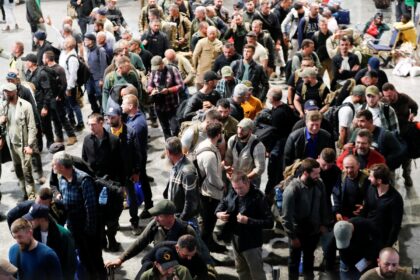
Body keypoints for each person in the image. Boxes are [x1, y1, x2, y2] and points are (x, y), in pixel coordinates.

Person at [52, 151, 106, 279]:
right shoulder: (62, 179)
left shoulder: (84, 180)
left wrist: (89, 232)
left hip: (88, 230)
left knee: (95, 259)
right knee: (83, 259)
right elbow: (66, 201)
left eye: (54, 164)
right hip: (73, 228)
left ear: (61, 167)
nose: (52, 166)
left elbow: (91, 208)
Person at [104, 200, 196, 270]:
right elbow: (140, 242)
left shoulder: (186, 230)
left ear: (170, 217)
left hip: (179, 270)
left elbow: (201, 254)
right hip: (160, 267)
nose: (155, 219)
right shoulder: (155, 225)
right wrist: (121, 259)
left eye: (159, 216)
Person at [215, 171, 273, 280]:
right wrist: (218, 213)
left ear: (247, 183)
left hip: (251, 242)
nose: (238, 191)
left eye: (240, 188)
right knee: (241, 270)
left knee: (257, 274)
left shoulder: (258, 197)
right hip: (236, 238)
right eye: (235, 188)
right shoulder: (234, 191)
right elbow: (223, 202)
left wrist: (248, 221)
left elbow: (269, 222)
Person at [281, 158, 329, 280]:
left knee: (309, 260)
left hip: (313, 231)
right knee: (294, 262)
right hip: (298, 233)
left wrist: (323, 224)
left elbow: (324, 205)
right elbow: (286, 217)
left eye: (319, 173)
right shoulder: (292, 190)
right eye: (315, 173)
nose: (318, 176)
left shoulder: (319, 184)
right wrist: (293, 237)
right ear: (305, 173)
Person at [0, 82, 36, 200]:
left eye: (8, 91)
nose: (6, 93)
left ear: (15, 92)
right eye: (5, 91)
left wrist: (30, 145)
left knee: (27, 172)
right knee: (18, 171)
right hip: (11, 145)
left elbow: (32, 127)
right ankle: (24, 193)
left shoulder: (25, 106)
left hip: (23, 145)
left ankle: (31, 196)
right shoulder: (4, 106)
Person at [23, 204, 77, 280]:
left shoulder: (64, 235)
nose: (28, 221)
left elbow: (70, 263)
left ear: (42, 219)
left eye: (32, 219)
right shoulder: (32, 232)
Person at [195, 122, 225, 252]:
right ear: (218, 135)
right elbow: (213, 178)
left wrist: (222, 167)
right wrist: (222, 186)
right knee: (208, 223)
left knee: (209, 223)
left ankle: (209, 243)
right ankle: (204, 250)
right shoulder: (210, 155)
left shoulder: (203, 145)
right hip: (210, 194)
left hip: (206, 190)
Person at [382, 82, 418, 187]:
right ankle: (392, 178)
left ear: (394, 91)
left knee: (408, 155)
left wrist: (412, 114)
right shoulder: (384, 102)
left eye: (390, 95)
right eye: (385, 96)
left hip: (406, 131)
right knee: (393, 157)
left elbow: (415, 106)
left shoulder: (404, 98)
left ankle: (407, 175)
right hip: (393, 134)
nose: (388, 98)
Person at [360, 164, 404, 248]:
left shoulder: (395, 199)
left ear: (379, 181)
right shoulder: (371, 188)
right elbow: (366, 208)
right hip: (368, 232)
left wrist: (387, 246)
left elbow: (395, 226)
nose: (369, 178)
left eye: (371, 177)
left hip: (382, 239)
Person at [264, 86, 296, 197]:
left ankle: (270, 194)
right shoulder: (286, 108)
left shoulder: (277, 114)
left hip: (278, 144)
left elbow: (273, 133)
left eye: (268, 95)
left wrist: (268, 149)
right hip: (286, 142)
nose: (267, 96)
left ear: (272, 98)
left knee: (274, 171)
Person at [147, 55, 184, 139]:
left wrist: (168, 90)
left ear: (162, 63)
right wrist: (153, 90)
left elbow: (181, 85)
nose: (156, 69)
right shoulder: (153, 72)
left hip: (172, 104)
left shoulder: (172, 70)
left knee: (175, 128)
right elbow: (149, 85)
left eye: (158, 67)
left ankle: (177, 144)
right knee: (165, 129)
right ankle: (169, 146)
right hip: (159, 105)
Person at [23, 53, 54, 150]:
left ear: (31, 63)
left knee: (46, 125)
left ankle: (50, 143)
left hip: (41, 104)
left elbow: (48, 91)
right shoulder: (28, 72)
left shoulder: (41, 73)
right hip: (33, 105)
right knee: (36, 126)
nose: (25, 63)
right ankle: (39, 145)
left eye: (26, 61)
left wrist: (45, 107)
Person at [164, 137, 199, 222]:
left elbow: (190, 202)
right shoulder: (176, 165)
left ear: (168, 152)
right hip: (175, 214)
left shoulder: (187, 172)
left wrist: (180, 221)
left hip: (184, 219)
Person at [140, 235, 208, 279]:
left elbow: (203, 275)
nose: (189, 258)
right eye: (185, 255)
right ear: (177, 248)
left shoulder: (197, 256)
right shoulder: (163, 247)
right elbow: (145, 260)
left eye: (192, 255)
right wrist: (160, 271)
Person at [224, 118, 266, 187]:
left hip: (250, 182)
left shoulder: (257, 146)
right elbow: (228, 158)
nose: (240, 131)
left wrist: (244, 179)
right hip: (234, 180)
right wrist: (228, 171)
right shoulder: (232, 140)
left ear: (250, 131)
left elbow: (260, 168)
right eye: (239, 128)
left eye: (243, 129)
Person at [332, 155, 370, 221]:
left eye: (352, 167)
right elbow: (335, 195)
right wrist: (337, 212)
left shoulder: (366, 180)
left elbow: (371, 198)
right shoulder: (341, 177)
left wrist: (364, 208)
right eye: (346, 167)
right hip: (343, 216)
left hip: (359, 218)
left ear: (358, 165)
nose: (349, 170)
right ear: (343, 166)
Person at [58, 36, 84, 131]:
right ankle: (72, 120)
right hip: (64, 84)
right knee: (67, 105)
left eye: (65, 42)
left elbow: (73, 76)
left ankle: (80, 123)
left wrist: (69, 88)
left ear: (70, 45)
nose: (63, 43)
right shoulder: (63, 53)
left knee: (74, 104)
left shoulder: (72, 58)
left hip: (70, 86)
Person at [84, 33, 108, 114]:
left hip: (98, 78)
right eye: (85, 40)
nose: (85, 41)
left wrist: (102, 78)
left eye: (87, 40)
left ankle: (103, 112)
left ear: (92, 41)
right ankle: (95, 111)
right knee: (90, 95)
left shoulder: (100, 50)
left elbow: (103, 65)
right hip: (89, 78)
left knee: (100, 96)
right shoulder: (87, 50)